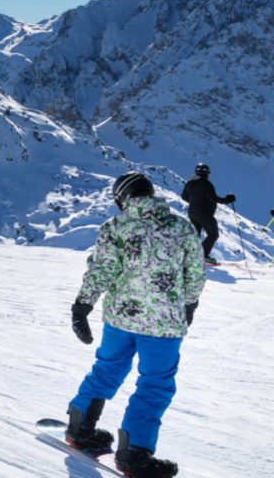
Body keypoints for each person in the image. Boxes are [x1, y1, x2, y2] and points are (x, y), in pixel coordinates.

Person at [65, 172, 205, 477]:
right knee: (155, 384)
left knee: (107, 368)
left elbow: (100, 270)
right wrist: (189, 305)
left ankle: (79, 428)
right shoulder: (181, 227)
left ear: (122, 198)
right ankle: (134, 454)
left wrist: (82, 306)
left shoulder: (116, 226)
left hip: (121, 318)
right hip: (163, 324)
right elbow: (195, 272)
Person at [180, 163, 235, 265]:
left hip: (192, 211)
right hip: (204, 213)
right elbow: (214, 198)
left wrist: (194, 202)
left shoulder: (190, 183)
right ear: (208, 173)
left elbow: (184, 196)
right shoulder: (206, 184)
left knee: (195, 234)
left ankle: (190, 256)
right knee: (213, 234)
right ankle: (203, 256)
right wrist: (228, 200)